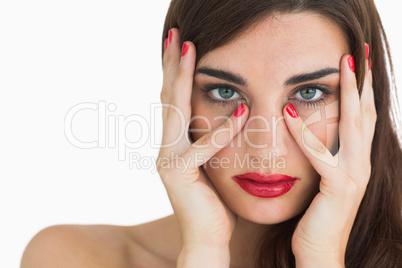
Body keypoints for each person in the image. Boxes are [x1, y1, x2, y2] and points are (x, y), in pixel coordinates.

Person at [21, 0, 401, 267]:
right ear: (177, 95)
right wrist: (204, 251)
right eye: (225, 92)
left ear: (364, 96)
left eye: (309, 93)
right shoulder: (71, 258)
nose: (264, 150)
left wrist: (321, 256)